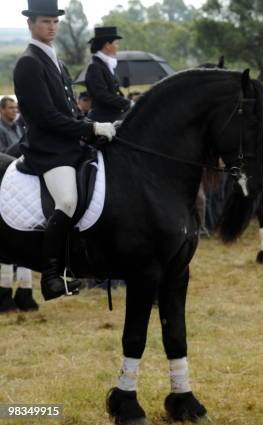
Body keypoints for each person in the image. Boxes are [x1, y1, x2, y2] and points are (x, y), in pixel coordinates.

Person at [13, 0, 116, 301]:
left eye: (55, 22)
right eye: (45, 22)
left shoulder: (57, 62)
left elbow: (70, 112)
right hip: (48, 149)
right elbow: (47, 117)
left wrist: (98, 125)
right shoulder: (28, 62)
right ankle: (50, 275)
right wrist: (90, 129)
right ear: (30, 24)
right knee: (68, 200)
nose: (52, 27)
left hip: (70, 144)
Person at [85, 26, 130, 122]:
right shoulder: (94, 67)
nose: (118, 46)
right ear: (107, 45)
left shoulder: (105, 65)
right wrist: (127, 103)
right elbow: (102, 95)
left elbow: (114, 91)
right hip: (103, 118)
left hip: (114, 114)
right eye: (116, 43)